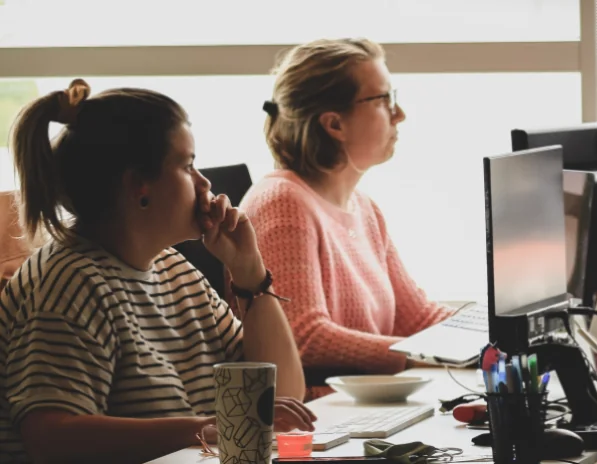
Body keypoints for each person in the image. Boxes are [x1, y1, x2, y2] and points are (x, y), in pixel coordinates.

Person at [0, 80, 315, 463]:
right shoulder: (69, 283)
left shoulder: (172, 269)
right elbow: (50, 436)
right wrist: (205, 429)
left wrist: (249, 274)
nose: (204, 182)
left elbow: (281, 395)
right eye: (187, 165)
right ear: (139, 187)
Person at [244, 38, 452, 399]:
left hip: (368, 407)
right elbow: (304, 337)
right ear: (334, 124)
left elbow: (417, 318)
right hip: (320, 418)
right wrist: (418, 357)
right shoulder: (283, 203)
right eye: (384, 99)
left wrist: (493, 334)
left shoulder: (364, 208)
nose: (399, 113)